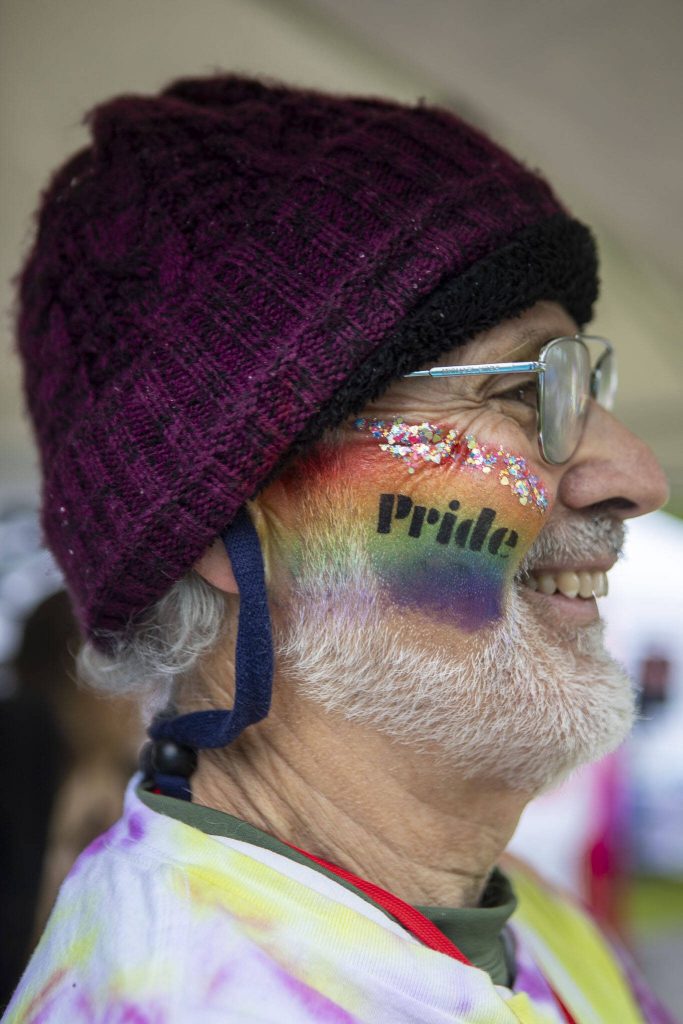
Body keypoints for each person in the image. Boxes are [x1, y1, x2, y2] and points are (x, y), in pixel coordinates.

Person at [3, 75, 673, 1023]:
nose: (636, 474)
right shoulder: (176, 1000)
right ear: (226, 512)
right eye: (525, 390)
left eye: (583, 380)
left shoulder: (520, 922)